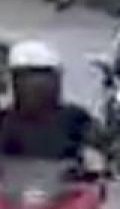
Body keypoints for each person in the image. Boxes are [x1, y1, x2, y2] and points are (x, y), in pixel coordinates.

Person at [0, 40, 103, 169]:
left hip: (65, 187)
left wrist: (93, 158)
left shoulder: (76, 119)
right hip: (12, 186)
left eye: (44, 76)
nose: (37, 85)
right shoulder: (4, 121)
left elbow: (98, 148)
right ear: (15, 81)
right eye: (28, 77)